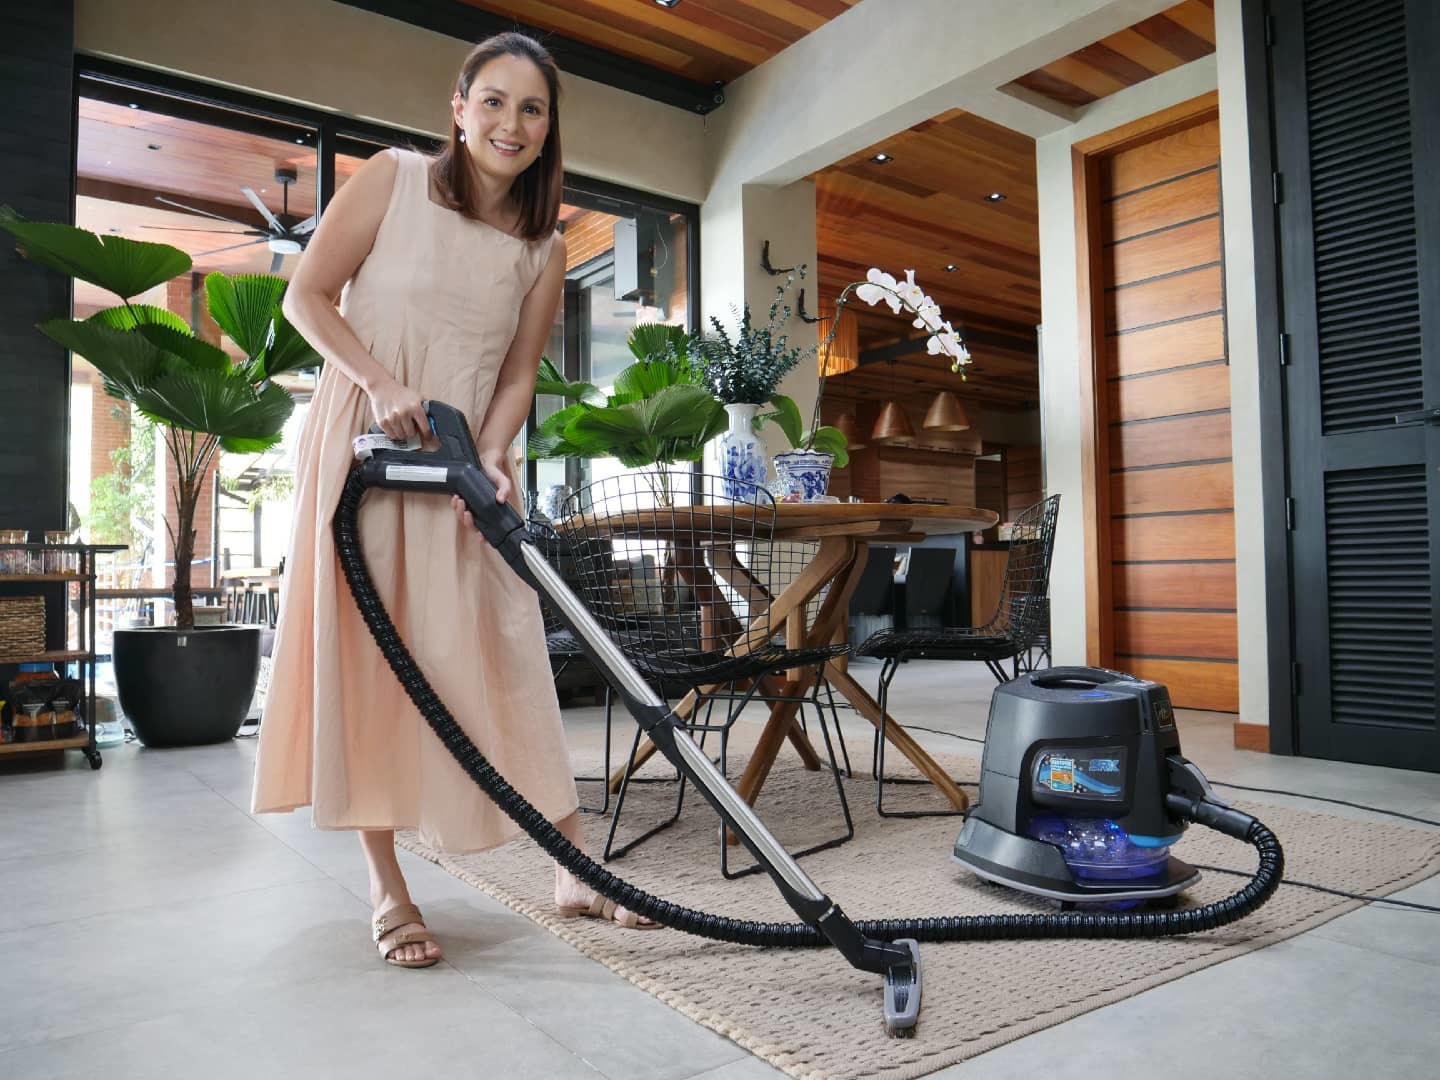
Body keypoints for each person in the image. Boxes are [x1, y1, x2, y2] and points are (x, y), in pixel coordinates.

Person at [252, 31, 657, 970]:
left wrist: (499, 453)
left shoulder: (542, 247)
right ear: (460, 108)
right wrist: (379, 380)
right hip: (364, 450)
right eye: (495, 101)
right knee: (371, 657)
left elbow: (516, 376)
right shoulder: (392, 180)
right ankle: (387, 889)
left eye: (532, 108)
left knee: (506, 643)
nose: (511, 123)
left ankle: (572, 865)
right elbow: (306, 298)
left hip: (462, 467)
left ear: (548, 128)